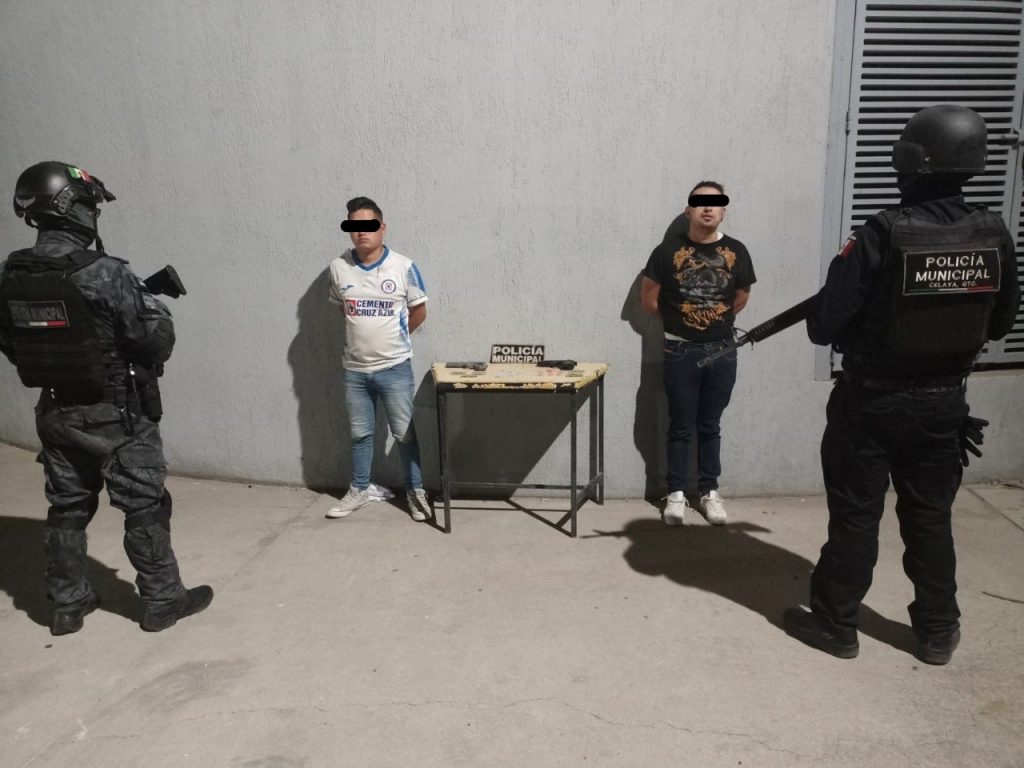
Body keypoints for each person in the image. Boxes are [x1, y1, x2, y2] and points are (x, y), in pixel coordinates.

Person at [784, 105, 1021, 665]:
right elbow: (1001, 323)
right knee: (931, 518)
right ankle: (938, 632)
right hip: (944, 405)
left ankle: (837, 626)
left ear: (911, 161)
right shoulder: (993, 232)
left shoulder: (880, 234)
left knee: (856, 517)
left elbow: (824, 326)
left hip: (870, 403)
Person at [0, 161, 213, 635]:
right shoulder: (105, 272)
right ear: (72, 207)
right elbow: (154, 343)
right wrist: (155, 308)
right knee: (144, 505)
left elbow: (12, 343)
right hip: (116, 415)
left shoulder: (8, 274)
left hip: (55, 410)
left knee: (68, 507)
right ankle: (163, 600)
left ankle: (66, 605)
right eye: (90, 205)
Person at [641, 181, 756, 526]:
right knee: (680, 425)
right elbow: (649, 300)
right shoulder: (666, 252)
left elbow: (741, 297)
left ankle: (709, 491)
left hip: (722, 350)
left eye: (715, 202)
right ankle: (676, 493)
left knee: (710, 424)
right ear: (688, 209)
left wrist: (712, 323)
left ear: (723, 211)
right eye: (700, 202)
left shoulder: (737, 250)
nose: (708, 208)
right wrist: (681, 324)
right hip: (679, 350)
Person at [327, 196, 431, 522]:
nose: (362, 232)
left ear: (382, 228)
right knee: (360, 435)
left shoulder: (404, 267)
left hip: (395, 368)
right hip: (355, 371)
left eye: (369, 225)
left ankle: (416, 492)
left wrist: (394, 339)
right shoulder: (338, 268)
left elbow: (419, 312)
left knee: (404, 434)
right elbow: (344, 310)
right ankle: (360, 489)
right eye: (355, 226)